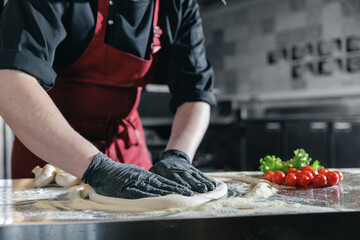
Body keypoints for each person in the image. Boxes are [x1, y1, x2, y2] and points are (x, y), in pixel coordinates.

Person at [0, 0, 216, 199]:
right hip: (51, 153)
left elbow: (195, 93)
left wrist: (178, 156)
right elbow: (10, 81)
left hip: (128, 152)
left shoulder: (178, 5)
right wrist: (96, 168)